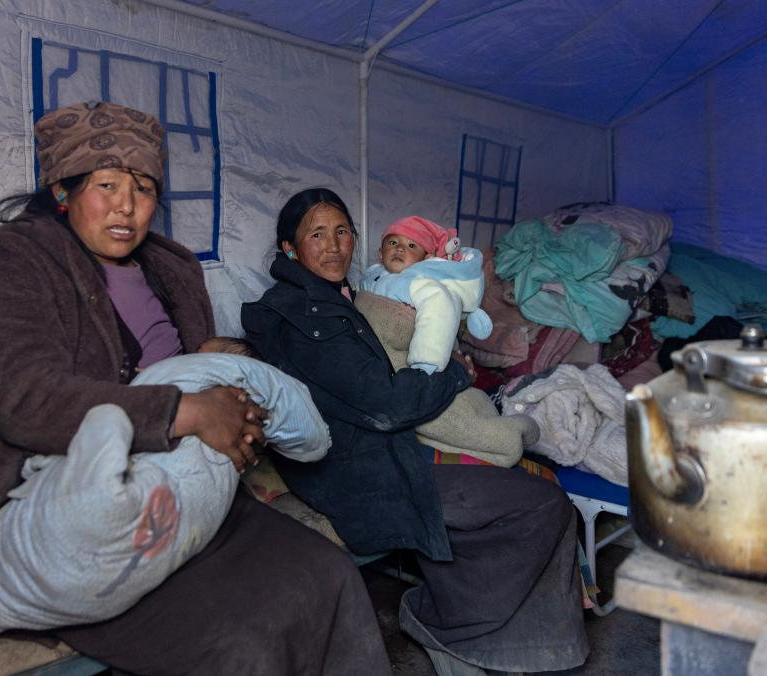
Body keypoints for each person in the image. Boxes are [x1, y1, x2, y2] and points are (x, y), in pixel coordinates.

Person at [0, 102, 389, 675]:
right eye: (107, 185)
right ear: (63, 190)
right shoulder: (19, 260)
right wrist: (186, 412)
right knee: (242, 645)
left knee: (331, 578)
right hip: (72, 508)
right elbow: (25, 400)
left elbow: (195, 371)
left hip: (190, 488)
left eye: (144, 188)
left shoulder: (170, 267)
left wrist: (236, 413)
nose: (127, 206)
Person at [242, 188, 590, 675]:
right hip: (359, 468)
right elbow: (388, 406)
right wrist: (454, 375)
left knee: (533, 479)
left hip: (385, 443)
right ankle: (444, 623)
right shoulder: (299, 313)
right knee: (540, 503)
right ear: (290, 248)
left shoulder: (341, 295)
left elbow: (383, 379)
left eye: (342, 231)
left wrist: (443, 366)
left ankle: (482, 621)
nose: (334, 245)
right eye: (317, 234)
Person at [360, 215, 493, 374]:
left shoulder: (421, 283)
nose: (400, 248)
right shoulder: (373, 273)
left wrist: (426, 363)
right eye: (393, 242)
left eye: (411, 245)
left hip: (432, 350)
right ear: (381, 253)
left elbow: (440, 307)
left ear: (426, 259)